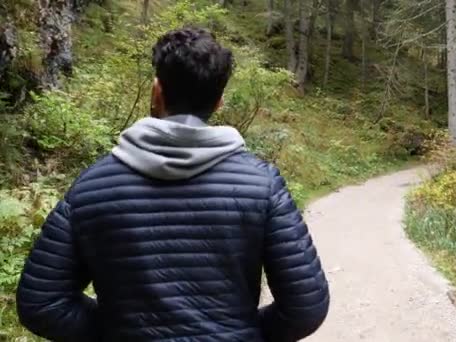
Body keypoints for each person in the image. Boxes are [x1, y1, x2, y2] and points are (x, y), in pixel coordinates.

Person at [16, 27, 329, 341]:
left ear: (156, 91)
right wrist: (243, 332)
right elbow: (306, 306)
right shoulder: (262, 185)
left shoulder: (92, 186)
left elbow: (42, 302)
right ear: (219, 101)